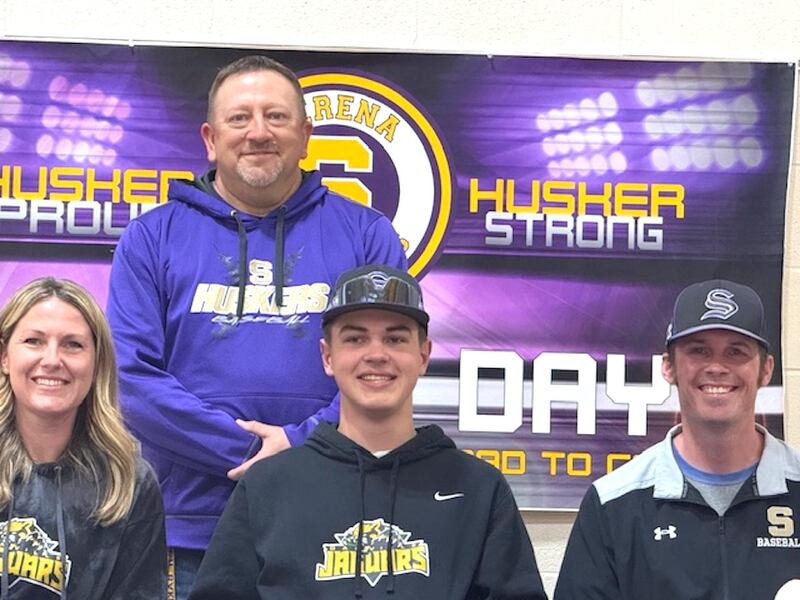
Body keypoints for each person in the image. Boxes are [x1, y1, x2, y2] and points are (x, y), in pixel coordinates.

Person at [106, 55, 407, 597]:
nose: (258, 133)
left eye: (276, 117)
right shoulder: (151, 239)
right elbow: (129, 379)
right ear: (210, 136)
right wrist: (250, 454)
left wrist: (300, 446)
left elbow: (387, 367)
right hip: (193, 526)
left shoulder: (367, 236)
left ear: (306, 134)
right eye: (240, 118)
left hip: (333, 516)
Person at [187, 264, 547, 599]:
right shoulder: (268, 485)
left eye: (395, 339)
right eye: (356, 339)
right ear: (328, 357)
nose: (376, 354)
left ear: (423, 355)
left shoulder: (477, 487)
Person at [554, 279, 800, 599]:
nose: (716, 367)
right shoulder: (613, 505)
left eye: (736, 352)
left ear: (765, 370)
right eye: (699, 350)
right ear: (668, 367)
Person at [0, 277, 166, 599]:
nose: (51, 360)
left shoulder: (129, 482)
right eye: (33, 341)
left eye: (72, 344)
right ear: (5, 357)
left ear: (96, 361)